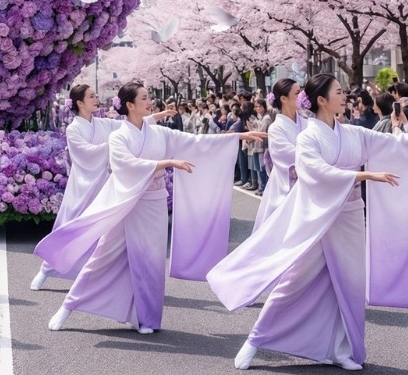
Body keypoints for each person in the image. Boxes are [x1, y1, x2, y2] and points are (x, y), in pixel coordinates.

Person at [209, 74, 408, 371]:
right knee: (295, 283)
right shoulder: (308, 136)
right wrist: (363, 175)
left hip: (349, 215)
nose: (343, 95)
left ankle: (341, 348)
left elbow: (393, 142)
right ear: (322, 99)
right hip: (319, 218)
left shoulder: (352, 133)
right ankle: (255, 340)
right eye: (338, 91)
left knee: (349, 285)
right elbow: (315, 170)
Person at [37, 81, 262, 334]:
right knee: (102, 258)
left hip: (154, 203)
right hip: (129, 204)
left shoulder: (158, 133)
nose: (149, 101)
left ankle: (147, 319)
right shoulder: (119, 135)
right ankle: (67, 307)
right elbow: (125, 164)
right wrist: (166, 162)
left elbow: (194, 140)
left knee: (152, 263)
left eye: (148, 96)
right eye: (143, 98)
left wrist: (234, 137)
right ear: (130, 104)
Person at [31, 84, 115, 290]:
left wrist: (153, 118)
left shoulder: (103, 124)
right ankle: (46, 269)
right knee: (71, 227)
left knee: (103, 231)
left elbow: (129, 128)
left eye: (96, 95)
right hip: (82, 186)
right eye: (92, 96)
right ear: (79, 102)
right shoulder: (74, 128)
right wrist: (112, 145)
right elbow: (86, 152)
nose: (96, 99)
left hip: (102, 185)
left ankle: (97, 278)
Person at [254, 79, 303, 230]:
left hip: (307, 183)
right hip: (286, 183)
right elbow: (287, 154)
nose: (301, 96)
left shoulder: (307, 122)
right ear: (283, 98)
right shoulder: (276, 128)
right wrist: (314, 156)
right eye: (297, 93)